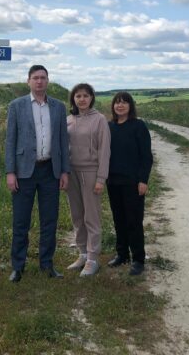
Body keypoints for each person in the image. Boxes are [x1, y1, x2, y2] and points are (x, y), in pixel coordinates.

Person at [5, 65, 70, 282]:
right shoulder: (16, 106)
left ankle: (47, 264)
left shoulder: (59, 107)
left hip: (50, 170)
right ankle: (18, 266)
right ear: (28, 81)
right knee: (21, 221)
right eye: (35, 78)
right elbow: (10, 140)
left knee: (49, 220)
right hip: (24, 171)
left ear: (48, 80)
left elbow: (62, 140)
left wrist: (64, 171)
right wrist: (10, 172)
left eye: (43, 77)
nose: (39, 81)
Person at [65, 83, 110, 277]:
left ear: (91, 98)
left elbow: (104, 150)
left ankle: (93, 258)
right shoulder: (68, 120)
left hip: (91, 172)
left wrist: (101, 178)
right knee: (77, 215)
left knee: (91, 216)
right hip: (71, 172)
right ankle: (82, 253)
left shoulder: (99, 120)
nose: (82, 99)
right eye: (78, 96)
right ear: (73, 99)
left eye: (85, 95)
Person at [107, 91, 153, 276]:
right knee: (119, 220)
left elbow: (146, 156)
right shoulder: (109, 127)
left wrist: (143, 180)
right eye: (117, 102)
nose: (120, 105)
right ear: (113, 106)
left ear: (130, 106)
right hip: (113, 181)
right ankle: (122, 254)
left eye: (124, 102)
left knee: (134, 221)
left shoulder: (138, 126)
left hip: (133, 183)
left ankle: (138, 259)